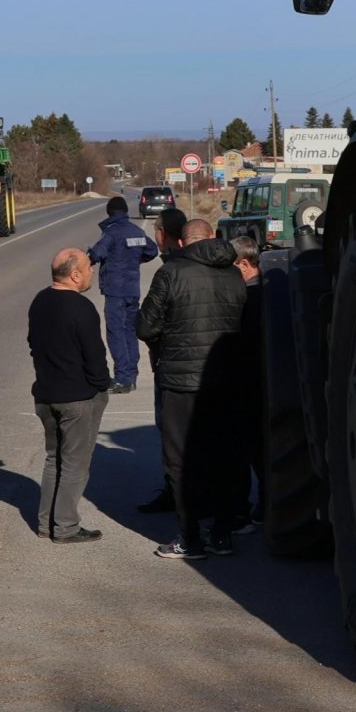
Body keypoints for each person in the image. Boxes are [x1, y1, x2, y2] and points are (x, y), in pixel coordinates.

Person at [137, 219, 247, 560]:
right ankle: (223, 534)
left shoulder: (171, 273)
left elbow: (145, 326)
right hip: (226, 378)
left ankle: (190, 538)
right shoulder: (233, 274)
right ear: (212, 237)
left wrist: (167, 341)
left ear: (182, 244)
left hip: (181, 381)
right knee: (224, 456)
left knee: (181, 460)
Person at [26, 248, 112, 544]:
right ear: (75, 275)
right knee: (75, 463)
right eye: (89, 267)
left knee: (54, 459)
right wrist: (102, 387)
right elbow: (95, 356)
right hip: (77, 398)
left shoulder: (40, 301)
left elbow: (33, 344)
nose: (92, 271)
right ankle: (65, 527)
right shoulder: (81, 307)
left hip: (45, 395)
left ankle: (45, 523)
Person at [135, 203, 192, 514]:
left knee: (172, 437)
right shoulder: (212, 266)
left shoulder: (168, 272)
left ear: (162, 235)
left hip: (171, 366)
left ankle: (177, 495)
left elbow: (147, 325)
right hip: (208, 367)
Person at [87, 196, 158, 395]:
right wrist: (134, 261)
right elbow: (152, 251)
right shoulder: (137, 231)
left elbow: (96, 255)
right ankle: (131, 377)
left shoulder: (111, 233)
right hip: (132, 290)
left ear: (110, 212)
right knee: (130, 332)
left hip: (115, 291)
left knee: (116, 333)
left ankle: (122, 379)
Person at [220, 234, 264, 535]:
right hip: (261, 383)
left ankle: (255, 509)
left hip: (252, 385)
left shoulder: (251, 299)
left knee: (252, 449)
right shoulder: (272, 290)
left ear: (244, 264)